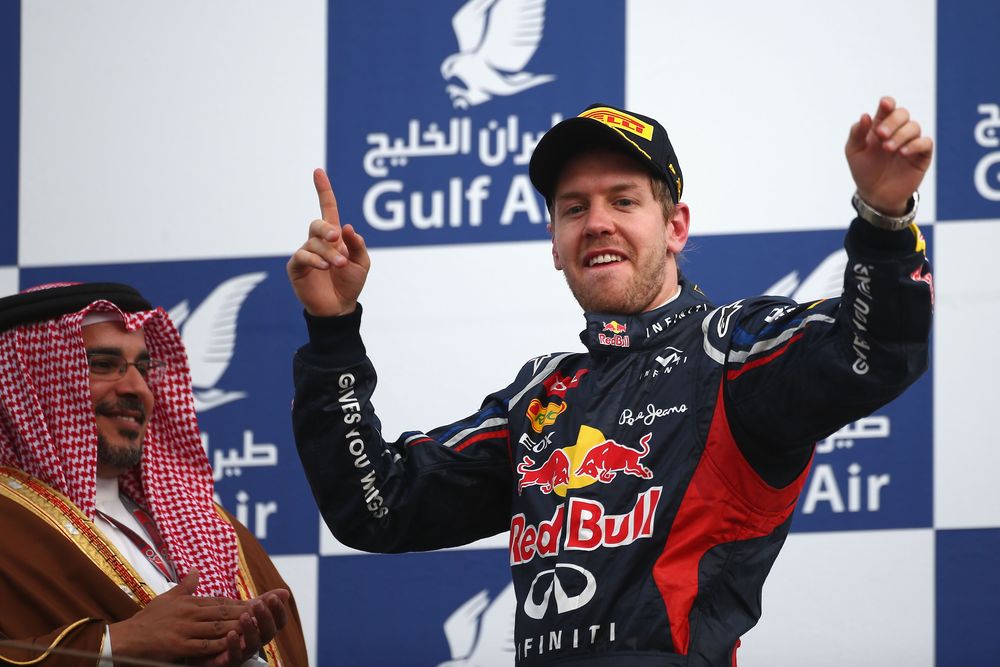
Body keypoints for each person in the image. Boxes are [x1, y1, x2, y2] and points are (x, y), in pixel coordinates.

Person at [287, 97, 933, 666]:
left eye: (623, 200)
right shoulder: (536, 398)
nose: (597, 222)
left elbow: (872, 352)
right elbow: (378, 505)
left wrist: (883, 219)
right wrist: (333, 330)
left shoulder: (730, 353)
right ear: (555, 242)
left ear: (675, 226)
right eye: (575, 208)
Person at [0, 282, 309, 667]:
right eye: (103, 365)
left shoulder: (212, 529)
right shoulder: (10, 522)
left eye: (144, 370)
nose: (138, 389)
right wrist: (116, 644)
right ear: (30, 383)